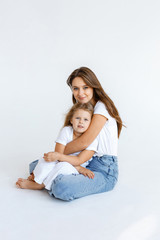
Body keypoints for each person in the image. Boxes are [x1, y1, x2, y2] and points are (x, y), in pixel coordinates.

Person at [29, 66, 123, 201]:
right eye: (76, 88)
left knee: (60, 186)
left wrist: (58, 155)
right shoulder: (84, 109)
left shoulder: (102, 107)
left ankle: (46, 181)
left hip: (103, 169)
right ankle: (52, 176)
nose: (80, 93)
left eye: (85, 87)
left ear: (93, 87)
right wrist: (56, 157)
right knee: (34, 165)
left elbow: (84, 142)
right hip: (83, 161)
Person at [16, 102, 98, 190]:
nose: (81, 121)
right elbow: (58, 153)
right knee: (46, 160)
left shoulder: (93, 140)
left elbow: (78, 160)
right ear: (71, 120)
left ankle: (40, 185)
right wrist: (55, 157)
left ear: (91, 123)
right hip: (61, 159)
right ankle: (37, 178)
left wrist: (78, 168)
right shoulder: (66, 131)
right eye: (77, 118)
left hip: (76, 167)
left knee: (61, 167)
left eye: (86, 119)